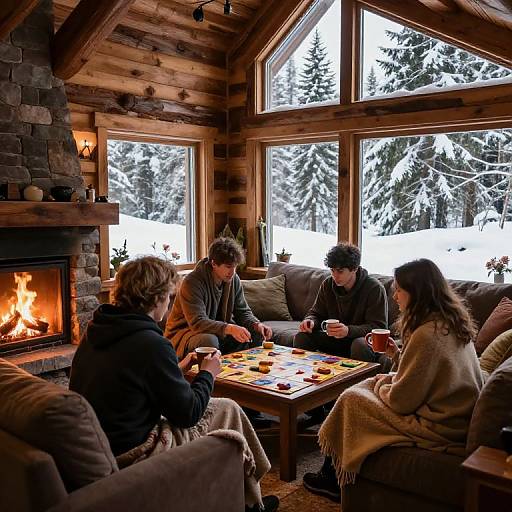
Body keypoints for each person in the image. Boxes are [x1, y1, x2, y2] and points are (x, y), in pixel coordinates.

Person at [70, 256, 279, 512]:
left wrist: (177, 369)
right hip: (135, 447)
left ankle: (246, 499)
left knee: (225, 405)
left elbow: (133, 381)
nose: (169, 306)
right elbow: (188, 414)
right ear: (156, 298)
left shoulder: (95, 331)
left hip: (107, 435)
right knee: (228, 408)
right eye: (169, 298)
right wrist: (208, 373)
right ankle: (250, 503)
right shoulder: (150, 343)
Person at [302, 258, 483, 502]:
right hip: (449, 409)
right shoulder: (449, 321)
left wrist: (380, 384)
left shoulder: (427, 335)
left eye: (399, 289)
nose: (395, 295)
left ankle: (335, 476)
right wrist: (396, 356)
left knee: (352, 398)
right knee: (364, 386)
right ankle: (332, 469)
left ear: (417, 293)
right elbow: (423, 373)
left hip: (439, 421)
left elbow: (401, 401)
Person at [165, 237, 273, 358]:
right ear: (213, 263)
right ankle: (207, 374)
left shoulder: (233, 279)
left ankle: (241, 373)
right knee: (209, 341)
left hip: (218, 331)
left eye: (235, 266)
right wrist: (230, 328)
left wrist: (256, 325)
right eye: (228, 266)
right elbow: (197, 323)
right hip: (185, 334)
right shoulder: (191, 282)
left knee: (256, 334)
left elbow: (242, 312)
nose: (232, 272)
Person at [294, 242, 388, 364]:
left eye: (340, 271)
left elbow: (378, 327)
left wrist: (348, 330)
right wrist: (310, 321)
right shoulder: (328, 284)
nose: (335, 276)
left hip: (358, 340)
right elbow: (316, 313)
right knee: (302, 336)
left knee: (359, 345)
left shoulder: (374, 288)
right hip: (334, 339)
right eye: (332, 270)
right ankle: (303, 377)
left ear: (354, 269)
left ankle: (359, 382)